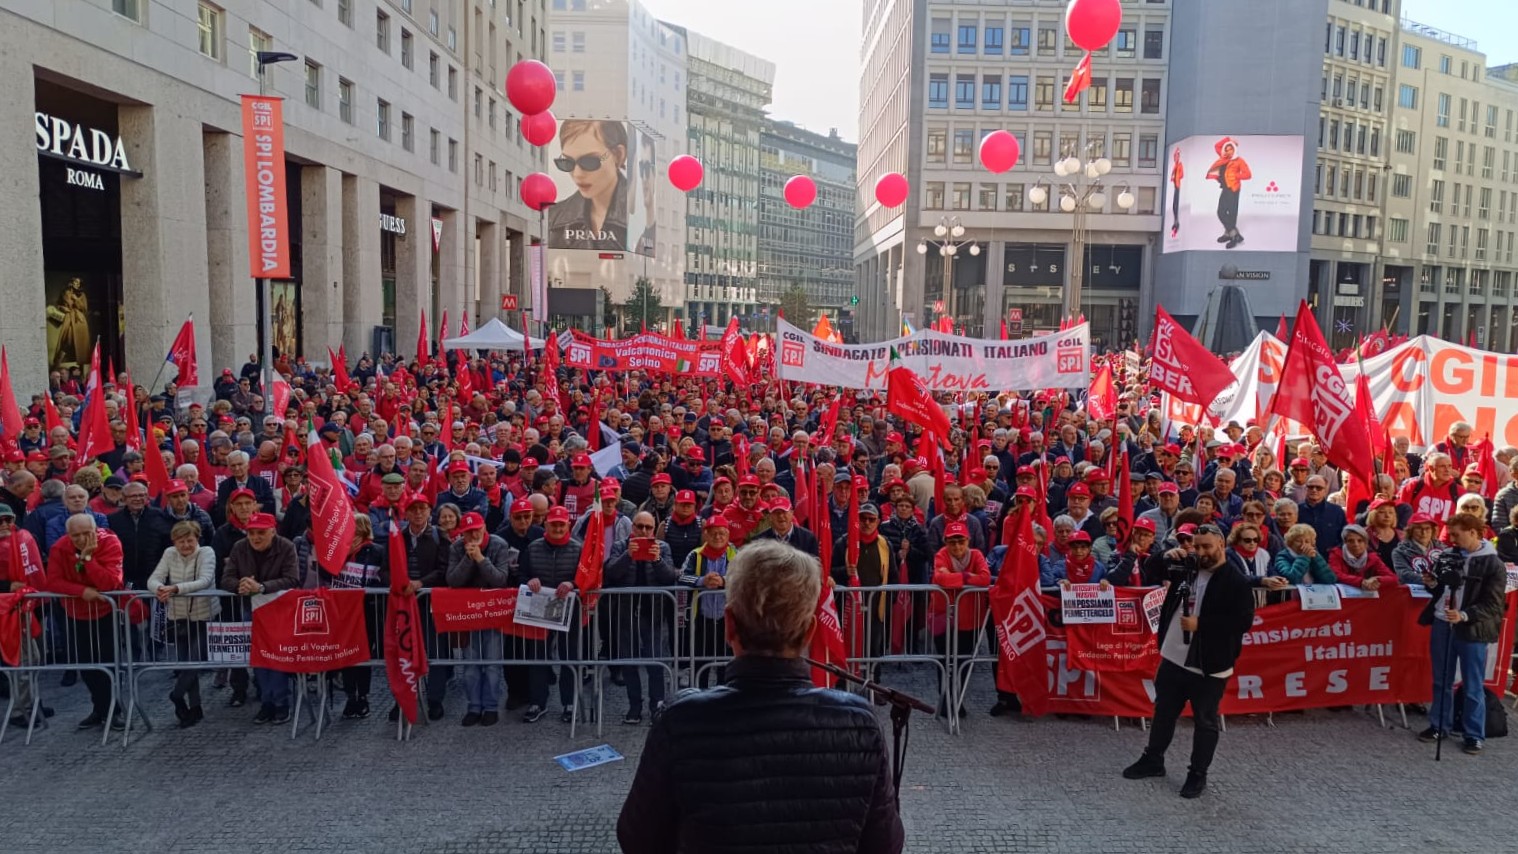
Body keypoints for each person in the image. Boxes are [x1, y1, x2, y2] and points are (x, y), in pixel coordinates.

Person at [616, 539, 904, 854]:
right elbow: (885, 844)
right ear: (809, 631)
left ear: (729, 626)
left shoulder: (680, 721)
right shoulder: (859, 723)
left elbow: (639, 839)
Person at [1123, 523, 1254, 798]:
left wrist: (1201, 624)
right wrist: (1166, 556)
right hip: (1173, 655)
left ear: (1222, 544)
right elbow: (1153, 570)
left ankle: (1197, 773)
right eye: (1197, 546)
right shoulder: (1188, 567)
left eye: (1207, 546)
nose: (1202, 552)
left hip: (1209, 663)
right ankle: (1153, 759)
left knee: (1205, 720)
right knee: (1163, 710)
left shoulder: (1235, 580)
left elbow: (1242, 622)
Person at [1418, 513, 1508, 754]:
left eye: (1457, 535)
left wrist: (1464, 615)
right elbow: (1440, 586)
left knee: (1472, 683)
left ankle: (1474, 734)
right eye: (1451, 535)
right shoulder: (1449, 554)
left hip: (1471, 628)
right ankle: (1439, 725)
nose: (1453, 540)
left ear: (1474, 532)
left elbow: (1494, 604)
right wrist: (1431, 582)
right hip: (1442, 621)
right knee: (1441, 679)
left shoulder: (1493, 563)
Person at [46, 513, 125, 730]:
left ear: (95, 529)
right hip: (75, 613)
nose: (81, 540)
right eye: (75, 536)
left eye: (86, 534)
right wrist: (82, 591)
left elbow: (110, 582)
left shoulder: (109, 542)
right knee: (86, 666)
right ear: (67, 534)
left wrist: (88, 559)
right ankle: (100, 709)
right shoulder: (60, 548)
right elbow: (52, 581)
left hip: (106, 612)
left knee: (108, 663)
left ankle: (113, 710)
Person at [219, 512, 298, 725]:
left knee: (278, 657)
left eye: (261, 533)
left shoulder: (287, 546)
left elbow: (292, 578)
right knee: (260, 658)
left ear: (273, 531)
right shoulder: (239, 547)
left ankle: (281, 703)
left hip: (279, 610)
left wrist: (262, 587)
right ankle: (266, 703)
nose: (255, 537)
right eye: (252, 533)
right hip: (251, 609)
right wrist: (241, 585)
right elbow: (226, 578)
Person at [603, 511, 679, 724]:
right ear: (632, 527)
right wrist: (628, 555)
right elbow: (611, 572)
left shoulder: (662, 547)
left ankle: (657, 704)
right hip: (626, 613)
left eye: (648, 527)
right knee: (629, 662)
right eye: (639, 527)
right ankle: (634, 705)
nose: (643, 531)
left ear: (653, 530)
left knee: (655, 661)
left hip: (652, 612)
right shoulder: (620, 545)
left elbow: (669, 577)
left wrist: (656, 560)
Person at [446, 512, 516, 727]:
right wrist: (469, 558)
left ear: (484, 527)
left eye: (477, 529)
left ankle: (491, 706)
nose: (473, 534)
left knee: (492, 664)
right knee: (470, 664)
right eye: (468, 532)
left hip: (492, 613)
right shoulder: (457, 548)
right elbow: (453, 580)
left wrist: (480, 559)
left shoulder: (499, 545)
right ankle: (474, 706)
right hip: (469, 615)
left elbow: (500, 579)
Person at [146, 520, 218, 727]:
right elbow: (154, 579)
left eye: (190, 540)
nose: (185, 545)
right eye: (181, 541)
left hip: (203, 615)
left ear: (197, 539)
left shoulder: (207, 552)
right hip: (178, 616)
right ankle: (195, 708)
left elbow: (205, 580)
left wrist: (176, 588)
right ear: (174, 542)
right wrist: (160, 588)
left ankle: (176, 695)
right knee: (186, 663)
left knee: (194, 663)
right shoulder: (169, 553)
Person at [522, 506, 584, 724]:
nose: (558, 528)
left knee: (569, 657)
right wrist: (529, 579)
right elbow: (521, 572)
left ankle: (569, 703)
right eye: (554, 524)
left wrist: (573, 583)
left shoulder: (578, 548)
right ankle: (538, 702)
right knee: (538, 657)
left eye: (561, 524)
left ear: (568, 525)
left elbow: (586, 577)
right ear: (545, 525)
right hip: (539, 605)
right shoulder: (533, 547)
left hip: (569, 607)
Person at [548, 119, 631, 251]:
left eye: (590, 161)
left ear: (618, 155)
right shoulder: (553, 220)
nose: (577, 174)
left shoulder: (640, 217)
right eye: (567, 162)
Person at [1328, 525, 1397, 591]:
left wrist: (1377, 580)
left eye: (1360, 541)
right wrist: (1361, 582)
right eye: (1351, 541)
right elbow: (1335, 575)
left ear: (1366, 543)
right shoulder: (1336, 554)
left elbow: (1393, 578)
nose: (1356, 544)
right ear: (1345, 543)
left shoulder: (1373, 558)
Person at [1270, 524, 1338, 585]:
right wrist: (1304, 557)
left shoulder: (1314, 554)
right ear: (1291, 542)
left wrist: (1316, 559)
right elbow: (1292, 579)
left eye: (1307, 541)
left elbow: (1330, 579)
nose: (1303, 544)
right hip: (1291, 595)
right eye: (1298, 541)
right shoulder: (1282, 556)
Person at [1392, 513, 1444, 586]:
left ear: (1433, 530)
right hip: (1413, 594)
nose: (1424, 532)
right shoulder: (1400, 551)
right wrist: (1429, 580)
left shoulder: (1443, 549)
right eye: (1419, 528)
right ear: (1410, 530)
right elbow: (1404, 574)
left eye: (1427, 528)